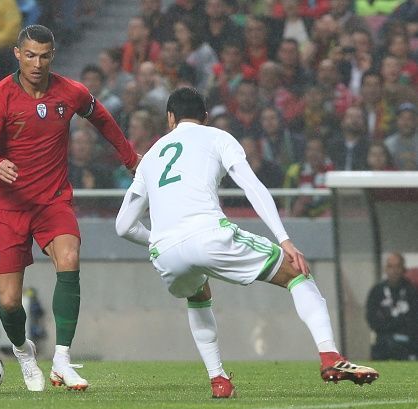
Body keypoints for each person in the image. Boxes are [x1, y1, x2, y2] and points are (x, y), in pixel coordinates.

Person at [115, 87, 378, 399]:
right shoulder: (217, 137)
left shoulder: (151, 157)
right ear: (205, 117)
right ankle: (331, 357)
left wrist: (158, 243)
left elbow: (123, 226)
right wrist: (285, 240)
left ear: (170, 118)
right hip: (209, 233)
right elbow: (252, 186)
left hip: (165, 251)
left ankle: (219, 380)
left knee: (198, 293)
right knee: (296, 273)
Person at [0, 25, 139, 392]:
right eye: (29, 55)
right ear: (17, 54)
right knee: (11, 301)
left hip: (52, 200)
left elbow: (102, 119)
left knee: (70, 256)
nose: (37, 63)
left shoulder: (70, 92)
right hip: (10, 207)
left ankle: (62, 359)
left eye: (44, 56)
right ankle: (23, 351)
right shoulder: (0, 97)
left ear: (53, 56)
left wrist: (129, 156)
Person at [366, 252, 418, 360]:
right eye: (390, 266)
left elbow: (413, 320)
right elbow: (371, 318)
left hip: (408, 344)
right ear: (385, 269)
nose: (394, 270)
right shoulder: (377, 291)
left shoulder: (412, 291)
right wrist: (395, 324)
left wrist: (391, 322)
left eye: (397, 266)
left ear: (403, 269)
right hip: (383, 343)